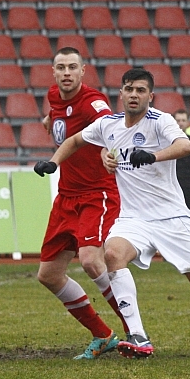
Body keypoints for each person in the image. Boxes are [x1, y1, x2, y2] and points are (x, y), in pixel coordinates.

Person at [35, 67, 190, 362]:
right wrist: (54, 162)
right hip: (133, 219)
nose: (134, 95)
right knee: (112, 254)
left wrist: (153, 155)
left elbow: (185, 145)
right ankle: (139, 336)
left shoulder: (160, 121)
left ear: (151, 96)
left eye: (140, 90)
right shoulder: (108, 124)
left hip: (172, 219)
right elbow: (74, 140)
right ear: (121, 94)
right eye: (129, 89)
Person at [37, 48, 128, 360]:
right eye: (61, 67)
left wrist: (106, 152)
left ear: (83, 71)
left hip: (96, 194)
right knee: (48, 275)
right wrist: (49, 119)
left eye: (72, 67)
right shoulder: (54, 95)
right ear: (53, 71)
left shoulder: (93, 102)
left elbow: (110, 129)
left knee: (90, 260)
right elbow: (56, 116)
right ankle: (103, 335)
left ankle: (135, 332)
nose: (66, 73)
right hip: (66, 197)